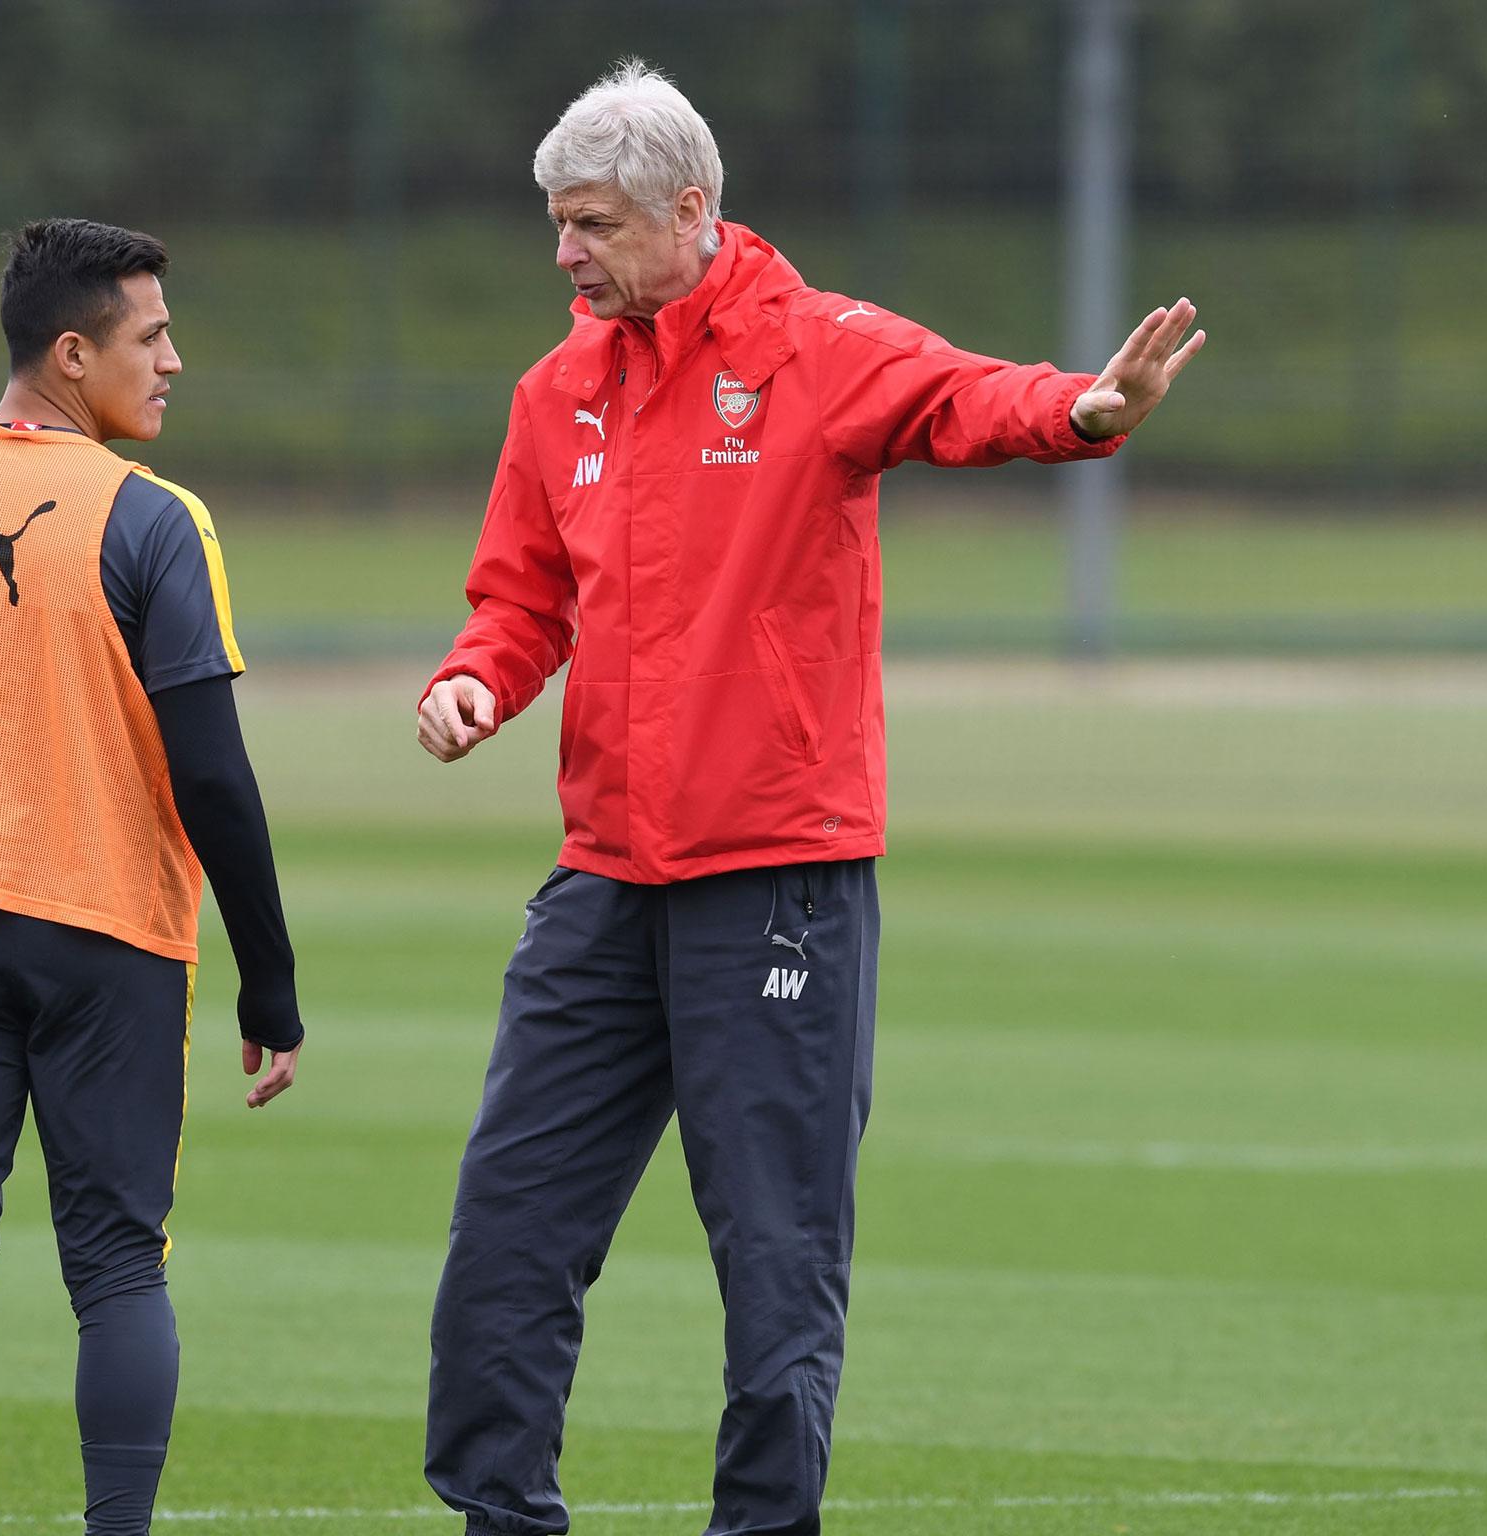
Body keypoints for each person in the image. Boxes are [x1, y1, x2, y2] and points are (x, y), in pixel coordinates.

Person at [416, 61, 1202, 1536]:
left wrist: (1088, 411)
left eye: (589, 225)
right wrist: (476, 680)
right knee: (507, 1234)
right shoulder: (559, 390)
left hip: (774, 876)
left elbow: (969, 397)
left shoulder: (814, 349)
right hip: (603, 878)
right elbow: (519, 599)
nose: (564, 255)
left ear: (690, 209)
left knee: (777, 1256)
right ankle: (497, 1517)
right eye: (557, 224)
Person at [0, 218, 306, 1536]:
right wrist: (273, 978)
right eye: (152, 338)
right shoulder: (154, 522)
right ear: (73, 350)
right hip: (106, 941)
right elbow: (211, 774)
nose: (175, 363)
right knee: (115, 1275)